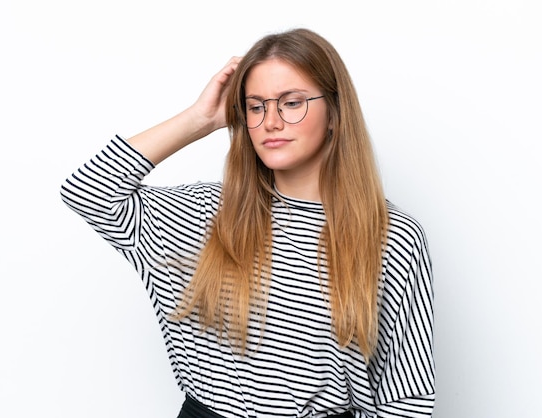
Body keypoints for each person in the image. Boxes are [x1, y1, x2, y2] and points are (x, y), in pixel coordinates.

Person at [61, 28, 435, 418]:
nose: (271, 121)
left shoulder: (391, 236)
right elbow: (88, 192)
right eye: (256, 107)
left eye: (291, 103)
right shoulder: (205, 214)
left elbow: (407, 396)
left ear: (334, 113)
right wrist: (200, 119)